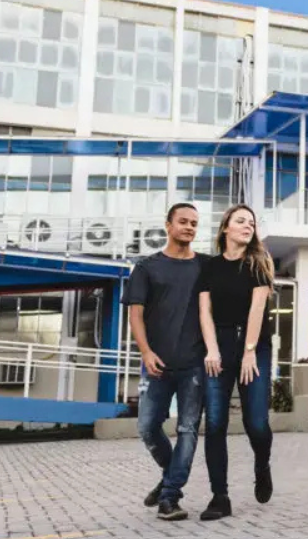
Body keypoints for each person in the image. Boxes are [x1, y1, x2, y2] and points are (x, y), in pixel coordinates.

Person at [126, 202, 208, 521]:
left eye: (194, 223)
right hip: (157, 363)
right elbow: (135, 314)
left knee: (188, 428)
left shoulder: (205, 266)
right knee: (147, 427)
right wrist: (145, 351)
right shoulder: (147, 267)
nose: (189, 227)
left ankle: (170, 497)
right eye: (183, 222)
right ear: (168, 225)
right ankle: (169, 477)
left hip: (195, 365)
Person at [196, 204, 276, 520]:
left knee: (255, 423)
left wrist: (249, 351)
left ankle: (262, 463)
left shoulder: (258, 264)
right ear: (225, 227)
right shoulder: (209, 267)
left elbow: (257, 310)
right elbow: (205, 312)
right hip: (220, 344)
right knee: (215, 423)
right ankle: (220, 497)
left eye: (252, 222)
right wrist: (212, 350)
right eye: (240, 220)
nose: (247, 225)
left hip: (254, 346)